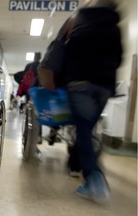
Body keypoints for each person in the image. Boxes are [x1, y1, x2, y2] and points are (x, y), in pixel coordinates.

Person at [57, 0, 122, 203]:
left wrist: (60, 81)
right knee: (87, 130)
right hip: (104, 86)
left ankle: (95, 179)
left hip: (80, 83)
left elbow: (68, 51)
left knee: (84, 131)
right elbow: (119, 58)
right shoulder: (114, 27)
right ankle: (75, 165)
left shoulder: (81, 19)